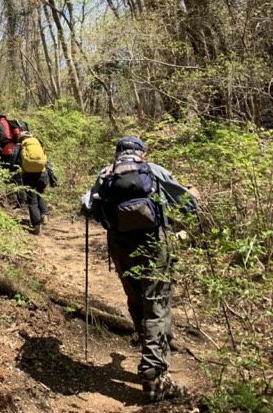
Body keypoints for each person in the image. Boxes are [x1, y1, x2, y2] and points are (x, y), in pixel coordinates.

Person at [80, 136, 200, 402]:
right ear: (142, 154)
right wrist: (191, 193)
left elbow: (86, 207)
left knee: (136, 299)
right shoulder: (154, 171)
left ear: (117, 154)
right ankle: (154, 373)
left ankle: (154, 349)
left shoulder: (106, 173)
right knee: (156, 301)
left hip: (120, 245)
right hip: (153, 243)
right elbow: (188, 206)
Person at [18, 131, 58, 234]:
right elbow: (47, 163)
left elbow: (15, 160)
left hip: (28, 175)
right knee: (40, 194)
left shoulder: (21, 147)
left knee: (32, 200)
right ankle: (44, 216)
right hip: (42, 175)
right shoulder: (39, 145)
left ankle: (36, 225)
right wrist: (52, 178)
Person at [0, 109, 25, 207]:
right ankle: (19, 200)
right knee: (15, 176)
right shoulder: (7, 123)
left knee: (0, 173)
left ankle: (6, 198)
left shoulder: (0, 123)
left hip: (9, 153)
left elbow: (5, 138)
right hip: (15, 151)